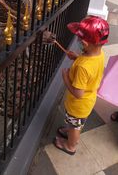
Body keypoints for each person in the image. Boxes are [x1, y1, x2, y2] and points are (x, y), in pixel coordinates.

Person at [53, 15, 109, 155]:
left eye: (79, 38)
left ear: (84, 43)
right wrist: (77, 57)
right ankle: (72, 130)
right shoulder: (100, 54)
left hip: (78, 105)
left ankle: (71, 145)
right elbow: (91, 66)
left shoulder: (82, 68)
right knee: (76, 123)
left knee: (75, 126)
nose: (77, 40)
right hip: (88, 101)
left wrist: (65, 78)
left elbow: (78, 93)